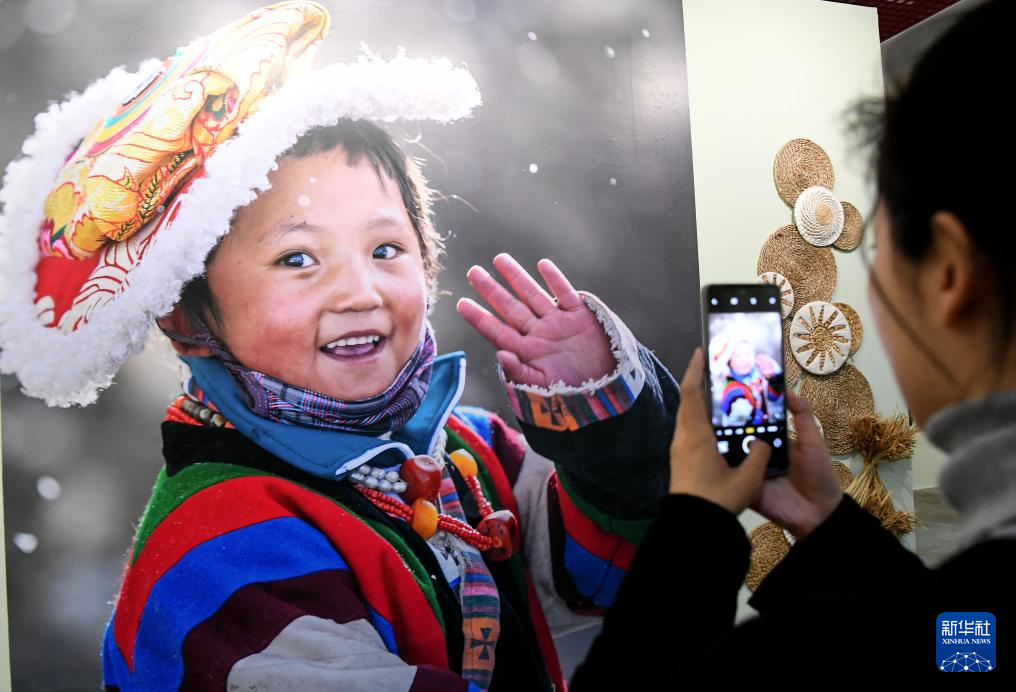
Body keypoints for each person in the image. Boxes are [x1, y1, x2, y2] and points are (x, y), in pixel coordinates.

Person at [0, 3, 678, 690]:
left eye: (385, 249)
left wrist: (603, 418)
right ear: (187, 319)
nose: (360, 291)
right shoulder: (221, 544)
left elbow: (621, 566)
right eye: (297, 259)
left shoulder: (466, 453)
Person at [571, 0, 1012, 684]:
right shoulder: (973, 628)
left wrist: (696, 519)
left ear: (947, 275)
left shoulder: (807, 657)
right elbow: (956, 646)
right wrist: (829, 523)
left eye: (879, 250)